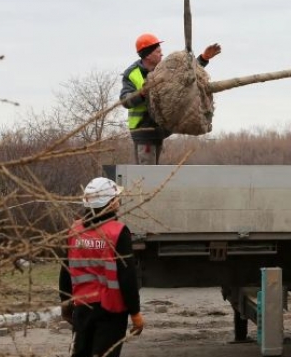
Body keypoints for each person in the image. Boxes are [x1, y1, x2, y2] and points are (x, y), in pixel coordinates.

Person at [60, 177, 144, 357]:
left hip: (82, 308)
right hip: (111, 312)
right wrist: (135, 313)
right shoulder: (118, 232)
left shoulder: (75, 231)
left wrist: (65, 304)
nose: (118, 201)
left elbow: (65, 271)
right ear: (110, 203)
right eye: (116, 198)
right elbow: (127, 277)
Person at [120, 33, 222, 164]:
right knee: (147, 172)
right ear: (148, 55)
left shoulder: (162, 69)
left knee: (152, 171)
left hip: (159, 129)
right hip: (143, 131)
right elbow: (125, 101)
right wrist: (142, 93)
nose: (162, 54)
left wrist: (203, 58)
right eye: (158, 52)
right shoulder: (132, 74)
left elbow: (185, 74)